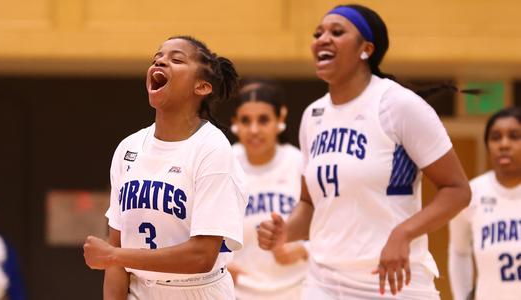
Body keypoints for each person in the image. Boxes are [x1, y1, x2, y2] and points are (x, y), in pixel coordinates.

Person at [257, 4, 471, 299]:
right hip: (324, 281)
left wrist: (403, 233)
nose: (322, 39)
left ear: (366, 49)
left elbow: (457, 190)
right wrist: (285, 233)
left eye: (337, 32)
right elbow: (310, 203)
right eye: (318, 33)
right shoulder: (313, 115)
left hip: (392, 281)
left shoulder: (398, 105)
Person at [83, 35, 247, 300]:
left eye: (176, 59)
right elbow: (116, 245)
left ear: (202, 87)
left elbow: (202, 255)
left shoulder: (212, 148)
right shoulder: (129, 148)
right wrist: (115, 257)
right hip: (140, 289)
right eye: (157, 57)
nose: (160, 60)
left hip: (198, 291)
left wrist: (115, 256)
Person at [227, 81, 308, 299]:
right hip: (239, 293)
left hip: (297, 290)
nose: (254, 130)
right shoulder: (224, 164)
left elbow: (331, 227)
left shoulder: (300, 163)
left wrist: (303, 250)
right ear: (235, 122)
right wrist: (218, 263)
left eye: (263, 120)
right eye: (245, 121)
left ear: (280, 118)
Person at [449, 107, 521, 300]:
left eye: (514, 136)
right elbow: (459, 251)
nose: (504, 144)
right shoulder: (470, 194)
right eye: (496, 137)